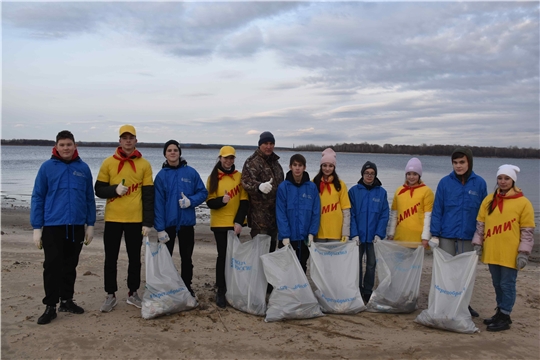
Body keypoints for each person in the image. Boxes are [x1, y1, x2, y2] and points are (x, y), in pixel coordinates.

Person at [31, 130, 96, 324]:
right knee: (52, 266)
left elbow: (89, 198)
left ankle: (67, 300)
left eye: (69, 144)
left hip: (76, 225)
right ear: (56, 147)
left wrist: (90, 224)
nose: (66, 148)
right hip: (53, 225)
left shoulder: (83, 168)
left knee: (70, 265)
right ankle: (50, 306)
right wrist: (37, 227)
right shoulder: (47, 168)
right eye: (62, 145)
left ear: (75, 146)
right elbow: (38, 196)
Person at [95, 124, 154, 312]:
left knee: (134, 259)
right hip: (113, 218)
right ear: (119, 141)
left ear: (136, 141)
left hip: (135, 220)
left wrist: (148, 222)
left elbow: (148, 195)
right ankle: (110, 295)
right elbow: (98, 190)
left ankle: (133, 293)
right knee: (110, 258)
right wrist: (114, 190)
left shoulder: (144, 164)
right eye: (124, 137)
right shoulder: (108, 163)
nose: (128, 141)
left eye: (131, 137)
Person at [471, 165, 535, 332]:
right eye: (500, 178)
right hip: (493, 250)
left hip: (510, 252)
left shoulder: (523, 202)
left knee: (507, 284)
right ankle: (500, 311)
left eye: (507, 178)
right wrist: (478, 243)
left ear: (513, 180)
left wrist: (523, 253)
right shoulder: (489, 200)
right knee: (497, 283)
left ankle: (505, 316)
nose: (503, 182)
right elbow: (481, 225)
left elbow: (527, 231)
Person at [429, 147, 487, 317]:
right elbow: (437, 210)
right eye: (455, 162)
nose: (458, 166)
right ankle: (444, 304)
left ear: (469, 162)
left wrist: (481, 238)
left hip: (468, 237)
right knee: (447, 273)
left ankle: (463, 305)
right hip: (447, 235)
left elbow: (484, 215)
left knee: (465, 274)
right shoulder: (445, 183)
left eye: (462, 162)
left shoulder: (480, 183)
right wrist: (434, 234)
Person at [154, 140, 208, 297]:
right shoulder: (161, 176)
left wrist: (191, 201)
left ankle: (186, 287)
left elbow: (203, 192)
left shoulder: (190, 172)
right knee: (164, 259)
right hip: (167, 225)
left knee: (187, 259)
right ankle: (164, 287)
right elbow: (157, 204)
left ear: (179, 153)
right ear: (165, 154)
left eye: (175, 150)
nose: (172, 152)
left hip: (186, 224)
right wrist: (159, 229)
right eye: (169, 150)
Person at [205, 146, 249, 308]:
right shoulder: (213, 177)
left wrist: (239, 221)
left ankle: (232, 286)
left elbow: (244, 201)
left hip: (234, 224)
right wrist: (221, 201)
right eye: (225, 158)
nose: (228, 161)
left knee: (233, 256)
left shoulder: (240, 176)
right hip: (219, 223)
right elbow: (209, 202)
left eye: (231, 158)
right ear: (220, 158)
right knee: (222, 255)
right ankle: (221, 290)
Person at [349, 161, 389, 304]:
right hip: (358, 236)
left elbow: (384, 215)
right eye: (367, 173)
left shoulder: (382, 192)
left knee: (371, 264)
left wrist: (379, 233)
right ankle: (357, 289)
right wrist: (354, 233)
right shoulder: (353, 191)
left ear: (375, 175)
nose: (369, 176)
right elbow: (351, 214)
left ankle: (367, 290)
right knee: (357, 264)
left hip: (373, 237)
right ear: (362, 174)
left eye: (372, 173)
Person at [241, 131, 285, 253]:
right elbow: (245, 182)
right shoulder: (252, 161)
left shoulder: (276, 164)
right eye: (266, 143)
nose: (269, 146)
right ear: (260, 144)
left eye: (271, 143)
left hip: (274, 219)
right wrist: (259, 186)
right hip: (259, 220)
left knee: (270, 254)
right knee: (259, 256)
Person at [276, 154, 321, 272]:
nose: (297, 168)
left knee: (302, 266)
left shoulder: (311, 187)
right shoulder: (283, 187)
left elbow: (316, 212)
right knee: (286, 267)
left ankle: (301, 290)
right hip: (289, 236)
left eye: (300, 165)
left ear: (304, 167)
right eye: (295, 165)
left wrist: (312, 233)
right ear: (290, 167)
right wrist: (285, 235)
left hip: (304, 236)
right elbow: (281, 213)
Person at [387, 157, 434, 248]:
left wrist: (425, 237)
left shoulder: (427, 191)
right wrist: (391, 233)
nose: (411, 177)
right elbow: (394, 215)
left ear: (419, 175)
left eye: (415, 174)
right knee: (399, 262)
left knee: (415, 263)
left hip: (417, 239)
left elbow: (428, 216)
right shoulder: (399, 191)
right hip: (400, 237)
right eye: (409, 174)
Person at [312, 148, 351, 242]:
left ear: (334, 167)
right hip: (318, 232)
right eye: (324, 165)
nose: (327, 168)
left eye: (330, 166)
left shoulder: (341, 185)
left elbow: (346, 211)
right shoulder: (313, 183)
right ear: (321, 166)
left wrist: (345, 233)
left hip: (336, 233)